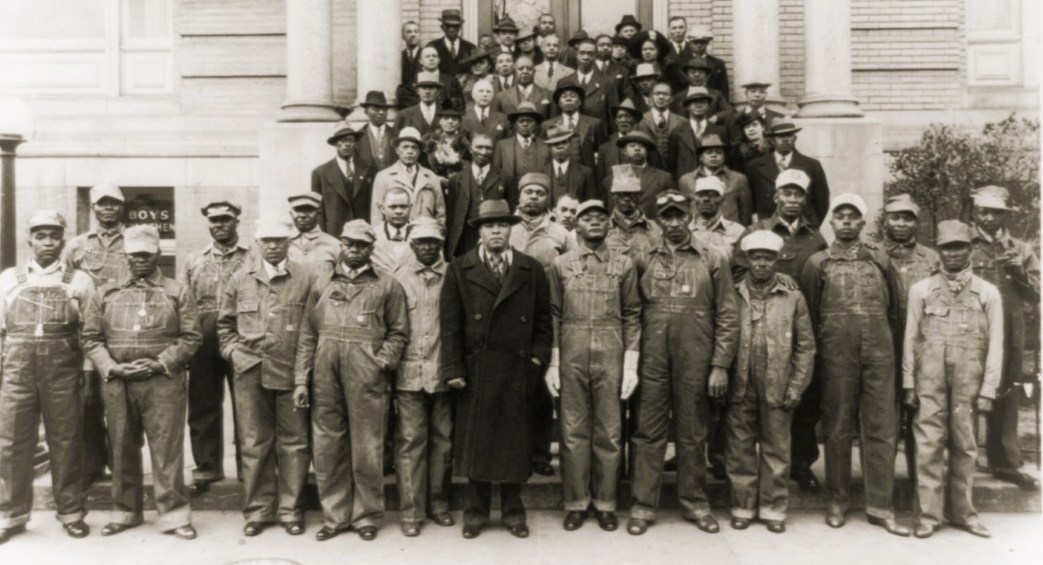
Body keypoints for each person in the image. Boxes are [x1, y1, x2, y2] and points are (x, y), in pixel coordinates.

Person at [440, 199, 553, 539]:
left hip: (518, 369)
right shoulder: (460, 268)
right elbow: (450, 325)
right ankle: (475, 513)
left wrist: (537, 358)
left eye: (502, 225)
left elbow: (543, 321)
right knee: (478, 442)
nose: (496, 231)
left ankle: (513, 513)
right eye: (489, 225)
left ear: (510, 229)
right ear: (479, 231)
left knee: (513, 444)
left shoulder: (531, 269)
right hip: (477, 369)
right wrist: (453, 367)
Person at [627, 190, 738, 536]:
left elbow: (728, 313)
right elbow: (631, 312)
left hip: (696, 356)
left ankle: (695, 503)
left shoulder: (713, 257)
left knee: (693, 431)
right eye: (667, 216)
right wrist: (631, 361)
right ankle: (643, 505)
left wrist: (720, 364)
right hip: (653, 356)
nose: (674, 223)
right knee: (648, 431)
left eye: (679, 216)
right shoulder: (643, 256)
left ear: (690, 216)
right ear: (658, 220)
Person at [81, 225, 202, 540]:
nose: (140, 260)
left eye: (146, 254)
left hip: (163, 382)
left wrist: (161, 362)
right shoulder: (105, 292)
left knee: (167, 449)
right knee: (121, 447)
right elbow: (90, 337)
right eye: (134, 255)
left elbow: (191, 337)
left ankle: (174, 516)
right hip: (118, 383)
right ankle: (125, 512)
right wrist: (112, 367)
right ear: (125, 255)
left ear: (158, 254)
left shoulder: (177, 291)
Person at [800, 194, 908, 536]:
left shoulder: (880, 259)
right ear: (832, 222)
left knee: (881, 428)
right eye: (840, 216)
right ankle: (837, 501)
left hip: (879, 355)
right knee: (837, 427)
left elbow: (894, 312)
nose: (846, 221)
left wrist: (884, 347)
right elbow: (809, 316)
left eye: (853, 216)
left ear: (863, 222)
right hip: (836, 356)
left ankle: (881, 506)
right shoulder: (818, 263)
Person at [296, 220, 409, 542]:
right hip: (325, 372)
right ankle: (335, 516)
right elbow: (308, 333)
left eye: (362, 245)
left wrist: (380, 363)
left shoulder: (387, 285)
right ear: (341, 245)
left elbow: (399, 332)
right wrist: (302, 379)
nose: (355, 250)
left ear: (371, 249)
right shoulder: (322, 282)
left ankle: (366, 516)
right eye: (349, 243)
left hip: (366, 374)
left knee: (367, 446)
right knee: (327, 444)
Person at [903, 220, 1003, 539]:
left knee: (965, 444)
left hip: (968, 380)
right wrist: (909, 383)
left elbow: (996, 344)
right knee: (928, 443)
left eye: (960, 247)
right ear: (938, 250)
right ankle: (928, 515)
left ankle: (963, 513)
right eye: (947, 248)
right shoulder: (921, 290)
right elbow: (911, 338)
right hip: (929, 379)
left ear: (970, 249)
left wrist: (988, 389)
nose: (953, 254)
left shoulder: (987, 293)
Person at [546, 199, 642, 532]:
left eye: (601, 217)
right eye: (588, 218)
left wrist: (630, 365)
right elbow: (553, 314)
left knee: (610, 431)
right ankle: (575, 503)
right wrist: (553, 363)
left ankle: (605, 503)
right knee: (572, 430)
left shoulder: (624, 264)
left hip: (611, 352)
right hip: (571, 351)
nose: (595, 222)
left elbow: (632, 314)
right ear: (577, 225)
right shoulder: (560, 264)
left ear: (609, 224)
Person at [216, 217, 316, 537]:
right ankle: (259, 510)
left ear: (289, 242)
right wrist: (233, 353)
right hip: (249, 372)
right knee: (254, 443)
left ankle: (290, 510)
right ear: (258, 243)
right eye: (267, 240)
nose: (273, 246)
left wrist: (302, 377)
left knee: (294, 443)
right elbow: (224, 325)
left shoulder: (306, 277)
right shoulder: (240, 278)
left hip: (290, 371)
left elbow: (311, 330)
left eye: (279, 240)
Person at [0, 211, 92, 544]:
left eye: (54, 236)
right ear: (30, 239)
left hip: (63, 371)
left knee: (66, 441)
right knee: (12, 441)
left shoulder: (78, 280)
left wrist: (87, 374)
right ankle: (11, 515)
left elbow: (89, 332)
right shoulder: (9, 279)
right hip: (17, 370)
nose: (48, 243)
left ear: (63, 240)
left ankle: (71, 513)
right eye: (41, 236)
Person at [732, 169, 828, 489]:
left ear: (805, 199)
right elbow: (736, 274)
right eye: (786, 193)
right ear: (776, 196)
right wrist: (776, 279)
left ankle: (800, 464)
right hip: (762, 324)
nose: (792, 199)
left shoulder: (815, 237)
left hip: (802, 325)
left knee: (801, 398)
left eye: (798, 194)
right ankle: (745, 477)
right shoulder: (756, 231)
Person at [725, 230, 815, 533]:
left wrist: (797, 386)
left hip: (778, 381)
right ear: (747, 260)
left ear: (777, 261)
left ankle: (773, 508)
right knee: (740, 447)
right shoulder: (733, 294)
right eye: (756, 257)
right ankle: (742, 506)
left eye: (768, 258)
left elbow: (805, 346)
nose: (762, 263)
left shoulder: (793, 297)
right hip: (741, 381)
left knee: (776, 447)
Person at [969, 185, 1041, 491]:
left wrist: (1020, 272)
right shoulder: (965, 245)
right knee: (968, 387)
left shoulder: (1021, 249)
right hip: (972, 325)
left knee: (1006, 389)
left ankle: (1005, 463)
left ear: (1005, 215)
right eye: (983, 211)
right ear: (975, 213)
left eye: (995, 212)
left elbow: (1036, 294)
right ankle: (963, 460)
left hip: (1009, 328)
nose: (988, 218)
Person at [182, 201, 254, 495]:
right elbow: (186, 304)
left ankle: (249, 468)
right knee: (203, 404)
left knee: (247, 404)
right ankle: (206, 467)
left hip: (242, 335)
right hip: (204, 337)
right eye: (214, 220)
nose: (220, 225)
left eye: (225, 219)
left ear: (237, 222)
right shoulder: (194, 260)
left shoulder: (252, 257)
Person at [392, 218, 454, 537]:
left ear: (441, 244)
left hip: (443, 373)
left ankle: (439, 504)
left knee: (443, 442)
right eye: (421, 242)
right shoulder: (398, 279)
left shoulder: (454, 276)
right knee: (410, 443)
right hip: (408, 375)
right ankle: (412, 512)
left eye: (433, 242)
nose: (428, 247)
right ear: (412, 245)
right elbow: (390, 328)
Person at [873, 194, 939, 485]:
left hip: (920, 347)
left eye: (907, 218)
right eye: (895, 217)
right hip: (881, 347)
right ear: (885, 220)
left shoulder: (931, 258)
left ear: (916, 222)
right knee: (883, 416)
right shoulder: (871, 254)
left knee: (920, 415)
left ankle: (919, 484)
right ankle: (881, 487)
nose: (901, 223)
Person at [64, 182, 126, 484]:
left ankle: (121, 466)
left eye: (113, 202)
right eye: (102, 203)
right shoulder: (77, 245)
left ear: (121, 206)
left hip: (123, 329)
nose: (108, 208)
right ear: (93, 208)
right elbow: (65, 286)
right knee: (88, 401)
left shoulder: (134, 240)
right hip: (86, 331)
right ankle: (93, 464)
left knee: (121, 402)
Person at [746, 121, 830, 227]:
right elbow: (750, 200)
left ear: (795, 139)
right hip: (768, 226)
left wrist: (811, 224)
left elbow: (822, 201)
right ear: (772, 140)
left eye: (789, 135)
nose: (785, 139)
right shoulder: (755, 166)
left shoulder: (812, 165)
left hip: (802, 226)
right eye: (780, 136)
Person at [446, 134, 513, 258]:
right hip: (464, 239)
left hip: (493, 237)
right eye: (479, 147)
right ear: (471, 149)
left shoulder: (505, 178)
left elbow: (511, 211)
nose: (483, 152)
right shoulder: (456, 179)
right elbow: (450, 215)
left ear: (494, 151)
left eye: (488, 148)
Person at [370, 127, 447, 226]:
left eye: (414, 147)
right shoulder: (383, 177)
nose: (410, 151)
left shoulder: (431, 177)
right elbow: (377, 216)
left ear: (419, 151)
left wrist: (436, 233)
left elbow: (440, 214)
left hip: (425, 232)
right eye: (405, 147)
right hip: (395, 234)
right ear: (397, 150)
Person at [313, 123, 377, 233]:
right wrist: (323, 235)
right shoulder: (321, 172)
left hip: (362, 230)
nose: (347, 144)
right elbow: (318, 210)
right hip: (335, 231)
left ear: (355, 144)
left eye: (350, 140)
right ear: (335, 144)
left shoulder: (368, 167)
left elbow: (374, 202)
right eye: (342, 141)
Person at [679, 133, 752, 226]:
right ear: (701, 157)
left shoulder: (738, 179)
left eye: (718, 152)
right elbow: (685, 211)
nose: (714, 155)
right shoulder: (687, 180)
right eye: (709, 152)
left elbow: (745, 213)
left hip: (729, 230)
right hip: (698, 230)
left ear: (724, 156)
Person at [602, 131, 675, 218]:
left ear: (647, 151)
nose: (637, 149)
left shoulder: (663, 178)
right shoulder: (611, 179)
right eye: (632, 145)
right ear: (624, 151)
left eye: (642, 146)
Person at [556, 33, 619, 127]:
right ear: (576, 55)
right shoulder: (563, 82)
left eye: (590, 53)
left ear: (595, 56)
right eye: (582, 53)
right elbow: (557, 116)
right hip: (570, 132)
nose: (585, 57)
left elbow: (613, 116)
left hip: (598, 133)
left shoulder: (607, 83)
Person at [493, 102, 551, 200]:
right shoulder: (502, 145)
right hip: (510, 195)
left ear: (535, 124)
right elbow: (496, 173)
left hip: (536, 196)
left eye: (529, 121)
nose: (525, 124)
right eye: (521, 121)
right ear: (515, 124)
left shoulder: (545, 146)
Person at [668, 86, 728, 179]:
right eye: (694, 102)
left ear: (708, 106)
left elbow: (727, 161)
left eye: (703, 102)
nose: (698, 105)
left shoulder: (720, 131)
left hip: (714, 181)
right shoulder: (677, 132)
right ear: (687, 107)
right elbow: (672, 163)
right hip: (687, 182)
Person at [597, 99, 665, 183]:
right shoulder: (605, 149)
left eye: (627, 116)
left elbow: (657, 175)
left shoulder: (647, 144)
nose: (623, 120)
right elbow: (601, 180)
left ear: (635, 120)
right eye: (619, 117)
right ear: (615, 121)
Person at [605, 173, 662, 268]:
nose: (627, 199)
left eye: (632, 194)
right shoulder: (603, 228)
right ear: (613, 196)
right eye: (621, 194)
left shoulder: (655, 228)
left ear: (639, 196)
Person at [543, 83, 605, 168]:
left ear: (580, 101)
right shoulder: (547, 125)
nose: (568, 98)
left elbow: (602, 152)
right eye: (564, 96)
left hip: (587, 172)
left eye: (573, 96)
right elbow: (544, 154)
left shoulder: (594, 123)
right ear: (559, 103)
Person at [686, 176, 745, 261]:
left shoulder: (738, 231)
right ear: (695, 200)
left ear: (722, 200)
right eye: (701, 195)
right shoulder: (686, 230)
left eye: (712, 195)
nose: (706, 199)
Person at [542, 125, 598, 204]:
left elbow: (590, 204)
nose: (560, 146)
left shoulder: (585, 173)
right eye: (555, 144)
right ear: (549, 147)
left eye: (564, 142)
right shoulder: (541, 173)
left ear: (571, 145)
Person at [397, 47, 465, 112]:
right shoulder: (413, 83)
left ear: (439, 60)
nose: (431, 59)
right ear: (420, 61)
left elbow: (459, 103)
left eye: (434, 56)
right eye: (427, 56)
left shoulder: (451, 81)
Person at [287, 193, 341, 268]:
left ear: (319, 214)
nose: (302, 215)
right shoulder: (282, 244)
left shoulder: (335, 245)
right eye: (297, 210)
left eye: (309, 210)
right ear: (291, 213)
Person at [492, 55, 553, 121]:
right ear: (514, 71)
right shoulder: (501, 97)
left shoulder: (548, 95)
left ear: (534, 71)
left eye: (529, 68)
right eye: (521, 68)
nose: (525, 71)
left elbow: (553, 121)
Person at [371, 187, 417, 274]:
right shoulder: (371, 236)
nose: (398, 211)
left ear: (410, 208)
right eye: (393, 207)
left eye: (403, 207)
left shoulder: (422, 235)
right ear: (382, 209)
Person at [637, 80, 686, 161]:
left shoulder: (682, 122)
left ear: (671, 99)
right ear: (651, 97)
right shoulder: (640, 120)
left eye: (665, 94)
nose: (661, 97)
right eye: (657, 93)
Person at [422, 104, 472, 179]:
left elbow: (471, 164)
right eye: (446, 118)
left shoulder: (466, 141)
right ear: (440, 121)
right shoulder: (431, 139)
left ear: (459, 123)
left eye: (454, 119)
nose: (450, 122)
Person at [426, 9, 476, 77]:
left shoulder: (470, 48)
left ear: (460, 27)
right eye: (448, 26)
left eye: (455, 26)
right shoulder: (432, 47)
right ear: (442, 27)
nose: (451, 29)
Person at [356, 91, 397, 171]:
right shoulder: (358, 137)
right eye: (375, 109)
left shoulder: (396, 134)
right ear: (366, 111)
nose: (381, 112)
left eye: (384, 109)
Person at [396, 71, 445, 137]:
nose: (427, 92)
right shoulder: (403, 115)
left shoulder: (445, 113)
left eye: (431, 88)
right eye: (423, 88)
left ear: (438, 91)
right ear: (417, 91)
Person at [686, 28, 730, 101]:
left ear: (707, 43)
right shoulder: (684, 62)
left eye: (702, 42)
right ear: (690, 44)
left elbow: (724, 88)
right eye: (695, 42)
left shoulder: (718, 63)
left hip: (712, 102)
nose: (699, 45)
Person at [401, 21, 422, 85]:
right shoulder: (399, 56)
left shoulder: (426, 54)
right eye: (409, 32)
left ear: (420, 35)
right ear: (402, 36)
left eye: (416, 32)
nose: (413, 35)